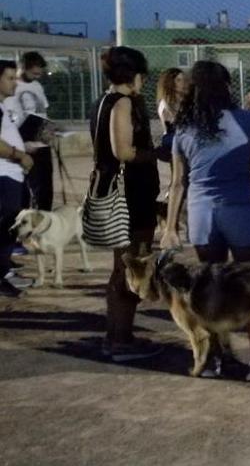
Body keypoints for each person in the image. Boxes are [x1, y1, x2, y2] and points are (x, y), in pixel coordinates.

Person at [160, 60, 250, 381]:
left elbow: (176, 184)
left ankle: (216, 359)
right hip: (241, 211)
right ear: (227, 86)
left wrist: (171, 227)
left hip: (202, 216)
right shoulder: (248, 120)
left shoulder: (183, 130)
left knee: (208, 290)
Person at [91, 47, 163, 362]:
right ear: (133, 74)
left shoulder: (102, 102)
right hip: (129, 195)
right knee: (129, 267)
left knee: (124, 265)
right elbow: (123, 151)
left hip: (120, 193)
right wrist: (154, 153)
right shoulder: (121, 103)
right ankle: (119, 341)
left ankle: (120, 336)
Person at [0, 60, 35, 298]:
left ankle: (5, 274)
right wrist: (19, 154)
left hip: (11, 175)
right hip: (4, 176)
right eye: (10, 78)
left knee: (7, 231)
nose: (15, 82)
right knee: (4, 230)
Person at [13, 52, 53, 213]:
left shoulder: (37, 86)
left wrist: (51, 132)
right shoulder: (11, 86)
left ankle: (44, 219)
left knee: (44, 186)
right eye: (34, 73)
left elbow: (42, 112)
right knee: (23, 186)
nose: (37, 76)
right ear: (23, 67)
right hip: (21, 141)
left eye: (39, 73)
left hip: (41, 141)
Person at [155, 68, 189, 162]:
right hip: (173, 137)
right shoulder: (166, 104)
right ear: (170, 83)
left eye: (184, 79)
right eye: (178, 80)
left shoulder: (186, 101)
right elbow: (172, 125)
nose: (183, 83)